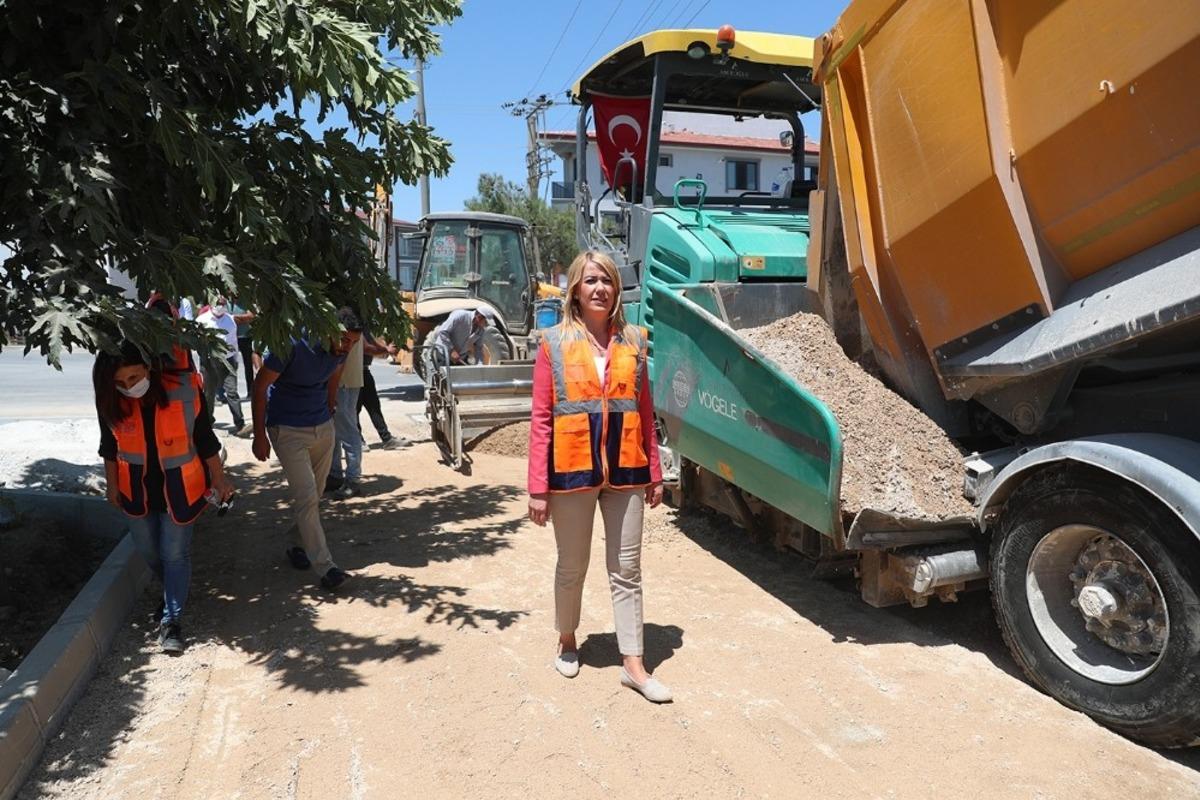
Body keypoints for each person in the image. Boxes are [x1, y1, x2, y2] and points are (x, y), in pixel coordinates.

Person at [526, 250, 669, 703]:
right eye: (590, 280)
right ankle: (567, 639)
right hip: (571, 473)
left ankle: (633, 663)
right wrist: (537, 488)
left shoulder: (636, 341)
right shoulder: (553, 343)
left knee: (627, 569)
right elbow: (542, 418)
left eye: (606, 280)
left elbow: (645, 412)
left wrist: (655, 471)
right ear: (575, 288)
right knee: (573, 565)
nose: (599, 289)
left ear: (616, 288)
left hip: (626, 470)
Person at [95, 341, 234, 653]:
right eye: (120, 383)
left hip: (181, 486)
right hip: (136, 489)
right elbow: (108, 445)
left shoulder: (184, 390)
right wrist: (112, 485)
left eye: (133, 378)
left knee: (175, 554)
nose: (128, 388)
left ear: (147, 367)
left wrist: (220, 477)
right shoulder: (109, 396)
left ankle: (171, 622)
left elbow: (205, 436)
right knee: (150, 552)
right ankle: (173, 590)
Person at [251, 307, 362, 591]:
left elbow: (335, 374)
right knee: (307, 495)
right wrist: (260, 435)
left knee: (315, 494)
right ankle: (327, 568)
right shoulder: (291, 343)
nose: (346, 346)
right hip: (287, 430)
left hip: (322, 427)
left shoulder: (343, 348)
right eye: (343, 340)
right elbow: (260, 386)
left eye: (352, 342)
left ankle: (297, 544)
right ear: (327, 329)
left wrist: (331, 403)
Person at [327, 315, 366, 500]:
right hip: (346, 382)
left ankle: (353, 480)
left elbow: (340, 364)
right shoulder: (350, 323)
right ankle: (335, 475)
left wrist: (331, 393)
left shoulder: (347, 327)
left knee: (348, 432)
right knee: (335, 431)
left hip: (343, 383)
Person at [196, 296, 245, 433]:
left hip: (228, 360)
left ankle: (239, 423)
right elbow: (197, 343)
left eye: (223, 304)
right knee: (209, 393)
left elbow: (234, 342)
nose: (221, 306)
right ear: (211, 304)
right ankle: (208, 422)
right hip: (209, 361)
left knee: (232, 392)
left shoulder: (230, 320)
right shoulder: (201, 320)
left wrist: (235, 360)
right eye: (218, 304)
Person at [357, 332, 407, 449]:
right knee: (355, 408)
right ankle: (358, 440)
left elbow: (373, 345)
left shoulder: (364, 326)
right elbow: (366, 348)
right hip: (355, 370)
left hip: (364, 371)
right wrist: (386, 350)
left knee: (374, 406)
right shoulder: (355, 323)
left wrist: (386, 349)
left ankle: (386, 438)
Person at [231, 301, 258, 398]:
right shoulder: (226, 303)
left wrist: (233, 318)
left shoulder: (245, 301)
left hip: (246, 337)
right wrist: (242, 318)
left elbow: (250, 317)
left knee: (248, 365)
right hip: (232, 338)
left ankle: (250, 391)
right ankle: (232, 394)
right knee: (231, 365)